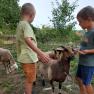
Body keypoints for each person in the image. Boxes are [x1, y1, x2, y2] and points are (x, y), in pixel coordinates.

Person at [16, 3, 51, 94]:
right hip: (29, 58)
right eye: (34, 16)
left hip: (25, 57)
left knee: (29, 78)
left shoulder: (20, 25)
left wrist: (37, 55)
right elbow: (28, 40)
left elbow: (24, 43)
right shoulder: (26, 25)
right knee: (30, 80)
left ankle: (27, 92)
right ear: (31, 15)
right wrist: (40, 53)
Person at [75, 6, 94, 94]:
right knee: (79, 79)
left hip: (88, 64)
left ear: (89, 19)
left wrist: (87, 52)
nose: (79, 24)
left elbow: (89, 49)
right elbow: (85, 46)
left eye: (80, 22)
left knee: (87, 83)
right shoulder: (86, 32)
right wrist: (78, 49)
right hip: (82, 62)